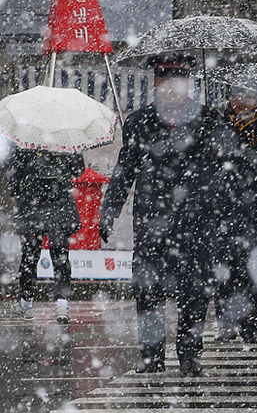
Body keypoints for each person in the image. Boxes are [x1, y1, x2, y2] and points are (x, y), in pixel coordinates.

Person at [100, 60, 238, 376]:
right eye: (165, 83)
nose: (172, 90)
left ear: (188, 86)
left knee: (194, 292)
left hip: (196, 221)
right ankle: (151, 355)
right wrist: (109, 212)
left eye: (178, 84)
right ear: (156, 85)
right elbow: (124, 171)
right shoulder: (139, 121)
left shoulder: (208, 119)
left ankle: (190, 354)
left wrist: (220, 205)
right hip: (152, 220)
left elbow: (225, 168)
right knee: (148, 290)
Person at [215, 76, 257, 343]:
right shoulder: (217, 126)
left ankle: (253, 323)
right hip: (224, 210)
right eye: (238, 96)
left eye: (249, 97)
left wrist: (241, 152)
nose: (243, 102)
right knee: (225, 271)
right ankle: (226, 323)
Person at [5, 148, 85, 323]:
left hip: (31, 206)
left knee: (29, 256)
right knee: (60, 256)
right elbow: (79, 170)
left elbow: (13, 174)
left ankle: (26, 303)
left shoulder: (25, 139)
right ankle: (62, 304)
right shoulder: (66, 138)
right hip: (61, 204)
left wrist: (22, 193)